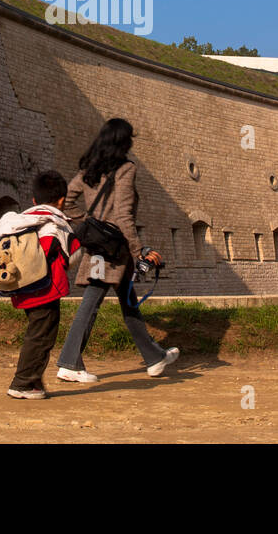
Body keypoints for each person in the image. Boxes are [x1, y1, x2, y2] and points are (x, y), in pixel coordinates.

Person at [56, 118, 179, 383]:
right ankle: (68, 362)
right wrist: (139, 250)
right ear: (123, 141)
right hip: (113, 247)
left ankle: (154, 358)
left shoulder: (88, 169)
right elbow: (123, 215)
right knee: (91, 302)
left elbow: (65, 200)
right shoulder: (125, 169)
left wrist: (88, 221)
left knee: (128, 302)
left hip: (101, 246)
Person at [2, 170, 82, 400]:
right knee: (41, 336)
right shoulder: (55, 222)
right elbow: (69, 254)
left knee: (38, 332)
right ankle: (23, 383)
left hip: (22, 287)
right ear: (61, 200)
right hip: (45, 289)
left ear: (34, 200)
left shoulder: (19, 220)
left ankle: (34, 381)